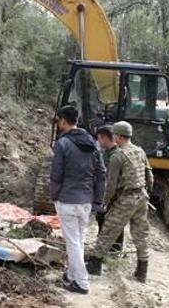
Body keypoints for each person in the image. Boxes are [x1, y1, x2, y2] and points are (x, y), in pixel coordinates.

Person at [87, 121, 154, 283]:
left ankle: (95, 264)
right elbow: (149, 176)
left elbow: (111, 185)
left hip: (126, 199)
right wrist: (147, 192)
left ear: (117, 136)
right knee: (141, 235)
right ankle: (141, 271)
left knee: (108, 230)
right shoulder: (140, 151)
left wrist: (105, 202)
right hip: (142, 197)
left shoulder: (117, 156)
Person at [50, 105, 106, 294]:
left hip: (68, 200)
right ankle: (71, 277)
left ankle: (82, 282)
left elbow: (56, 174)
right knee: (79, 240)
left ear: (64, 121)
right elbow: (101, 173)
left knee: (72, 242)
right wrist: (97, 199)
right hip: (86, 202)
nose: (59, 124)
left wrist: (54, 195)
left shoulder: (62, 144)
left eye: (59, 121)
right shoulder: (92, 142)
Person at [94, 125, 124, 253]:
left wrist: (106, 199)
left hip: (113, 195)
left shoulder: (115, 155)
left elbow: (112, 179)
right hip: (107, 193)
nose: (99, 142)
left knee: (113, 222)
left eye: (99, 139)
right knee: (102, 219)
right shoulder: (107, 153)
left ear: (105, 138)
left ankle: (113, 249)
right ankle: (105, 247)